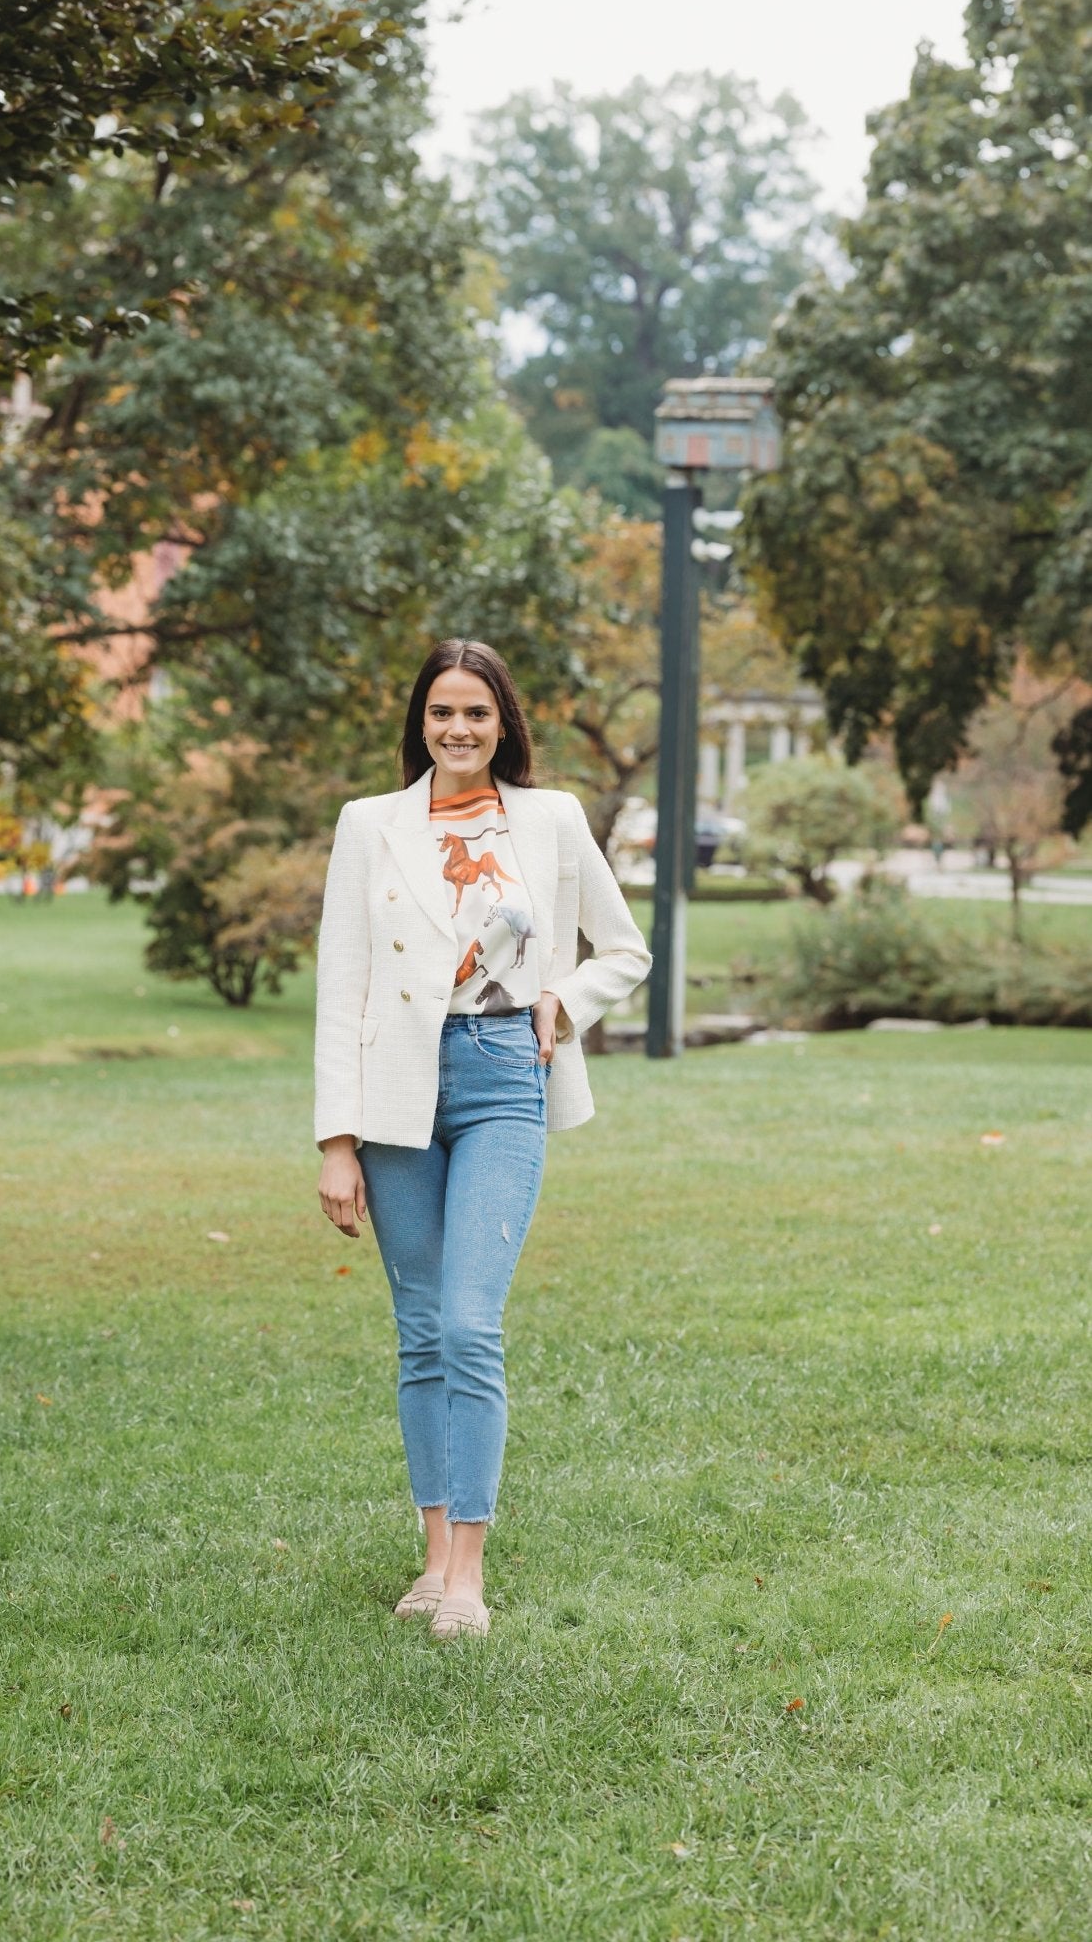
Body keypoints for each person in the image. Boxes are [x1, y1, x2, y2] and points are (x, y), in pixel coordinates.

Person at [314, 638, 652, 1639]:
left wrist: (563, 996)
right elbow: (342, 983)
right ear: (418, 722)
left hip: (507, 1073)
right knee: (421, 1331)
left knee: (470, 1322)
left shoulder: (550, 819)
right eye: (441, 713)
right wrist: (336, 1139)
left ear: (505, 721)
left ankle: (468, 1570)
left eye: (477, 713)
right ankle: (430, 1560)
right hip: (392, 1093)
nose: (458, 730)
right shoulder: (370, 825)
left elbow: (624, 946)